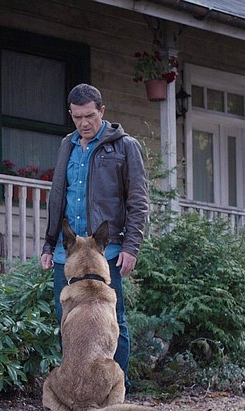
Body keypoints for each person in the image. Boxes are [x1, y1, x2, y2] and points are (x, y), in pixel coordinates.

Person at [40, 83, 149, 391]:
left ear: (102, 111)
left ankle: (117, 391)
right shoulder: (67, 145)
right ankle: (75, 390)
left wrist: (131, 246)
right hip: (68, 252)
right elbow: (57, 196)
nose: (84, 123)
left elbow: (138, 200)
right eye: (77, 117)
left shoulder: (125, 146)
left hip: (106, 250)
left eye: (89, 116)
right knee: (67, 322)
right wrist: (49, 243)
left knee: (114, 321)